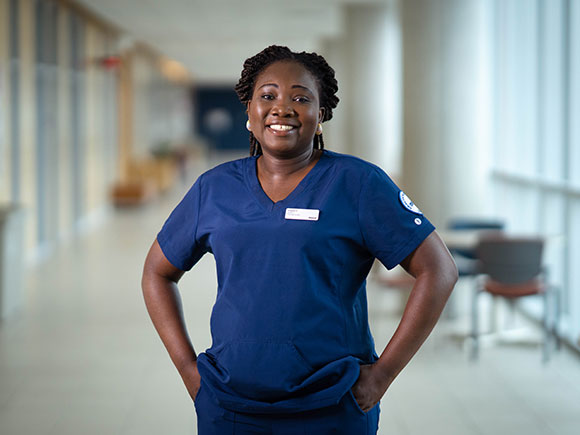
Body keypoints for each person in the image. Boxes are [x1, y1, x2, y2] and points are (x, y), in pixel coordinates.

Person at [142, 45, 458, 434]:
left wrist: (382, 375)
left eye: (301, 98)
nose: (282, 108)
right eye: (268, 96)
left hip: (331, 403)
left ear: (321, 115)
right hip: (230, 403)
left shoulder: (358, 183)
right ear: (249, 112)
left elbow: (438, 270)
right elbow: (157, 272)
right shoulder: (215, 187)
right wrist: (189, 371)